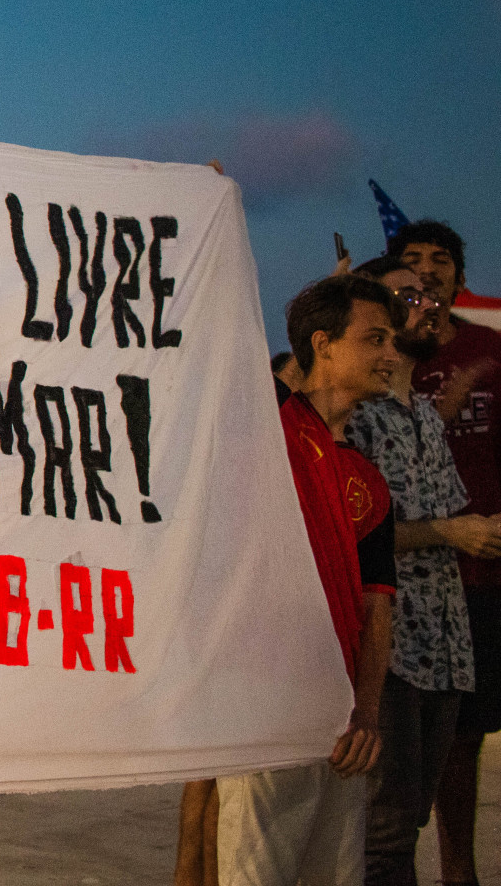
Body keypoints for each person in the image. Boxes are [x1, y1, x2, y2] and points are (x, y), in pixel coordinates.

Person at [217, 274, 401, 886]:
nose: (390, 355)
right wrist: (205, 223)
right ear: (323, 343)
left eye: (391, 341)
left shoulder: (368, 481)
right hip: (266, 707)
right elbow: (219, 340)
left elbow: (378, 608)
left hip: (339, 721)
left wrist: (367, 714)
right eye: (374, 339)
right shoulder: (268, 427)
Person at [347, 256, 499, 885]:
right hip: (391, 648)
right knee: (382, 834)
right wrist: (451, 532)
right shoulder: (354, 417)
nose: (428, 302)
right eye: (406, 296)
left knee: (407, 820)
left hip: (443, 644)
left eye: (430, 294)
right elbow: (353, 538)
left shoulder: (421, 416)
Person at [389, 221, 501, 886]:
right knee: (402, 742)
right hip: (400, 578)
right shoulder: (384, 360)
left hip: (484, 574)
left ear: (459, 276)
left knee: (467, 732)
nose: (427, 272)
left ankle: (458, 868)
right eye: (411, 261)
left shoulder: (491, 350)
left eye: (439, 261)